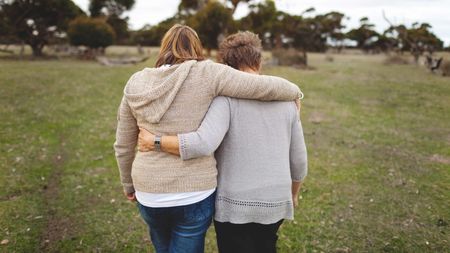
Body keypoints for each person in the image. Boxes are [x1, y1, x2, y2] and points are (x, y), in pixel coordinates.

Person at [113, 25, 303, 253]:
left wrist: (128, 184)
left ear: (163, 47)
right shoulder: (207, 73)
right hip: (195, 191)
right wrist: (295, 92)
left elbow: (123, 144)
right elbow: (260, 85)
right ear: (196, 47)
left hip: (149, 190)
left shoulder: (135, 82)